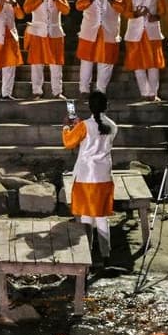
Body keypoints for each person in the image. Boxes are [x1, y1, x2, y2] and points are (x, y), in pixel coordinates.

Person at [62, 90, 119, 257]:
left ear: (90, 106)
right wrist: (80, 125)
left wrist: (66, 127)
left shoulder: (84, 126)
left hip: (86, 176)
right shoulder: (113, 126)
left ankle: (87, 253)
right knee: (101, 217)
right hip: (104, 176)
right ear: (107, 106)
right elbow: (97, 132)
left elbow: (69, 142)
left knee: (86, 216)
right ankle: (105, 254)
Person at [74, 0, 130, 96]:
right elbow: (79, 6)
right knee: (86, 62)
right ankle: (84, 90)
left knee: (106, 63)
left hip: (109, 33)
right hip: (89, 33)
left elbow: (121, 8)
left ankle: (101, 90)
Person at [121, 0, 168, 100]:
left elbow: (162, 11)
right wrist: (136, 14)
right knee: (138, 64)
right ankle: (144, 93)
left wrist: (156, 17)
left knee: (154, 64)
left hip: (152, 32)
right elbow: (125, 11)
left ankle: (153, 93)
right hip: (135, 32)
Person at [21, 0, 70, 98]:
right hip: (37, 32)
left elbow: (66, 10)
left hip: (55, 32)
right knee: (37, 63)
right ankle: (37, 91)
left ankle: (57, 91)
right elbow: (26, 9)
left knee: (56, 64)